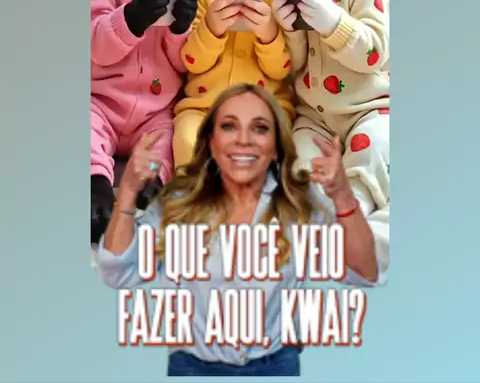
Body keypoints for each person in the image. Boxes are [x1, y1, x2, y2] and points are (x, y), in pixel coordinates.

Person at [96, 83, 389, 377]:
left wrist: (343, 196)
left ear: (276, 147)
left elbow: (366, 272)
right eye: (229, 126)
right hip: (193, 367)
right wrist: (128, 190)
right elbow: (117, 270)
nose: (243, 140)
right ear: (211, 142)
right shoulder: (179, 201)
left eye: (259, 128)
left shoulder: (299, 201)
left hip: (275, 364)